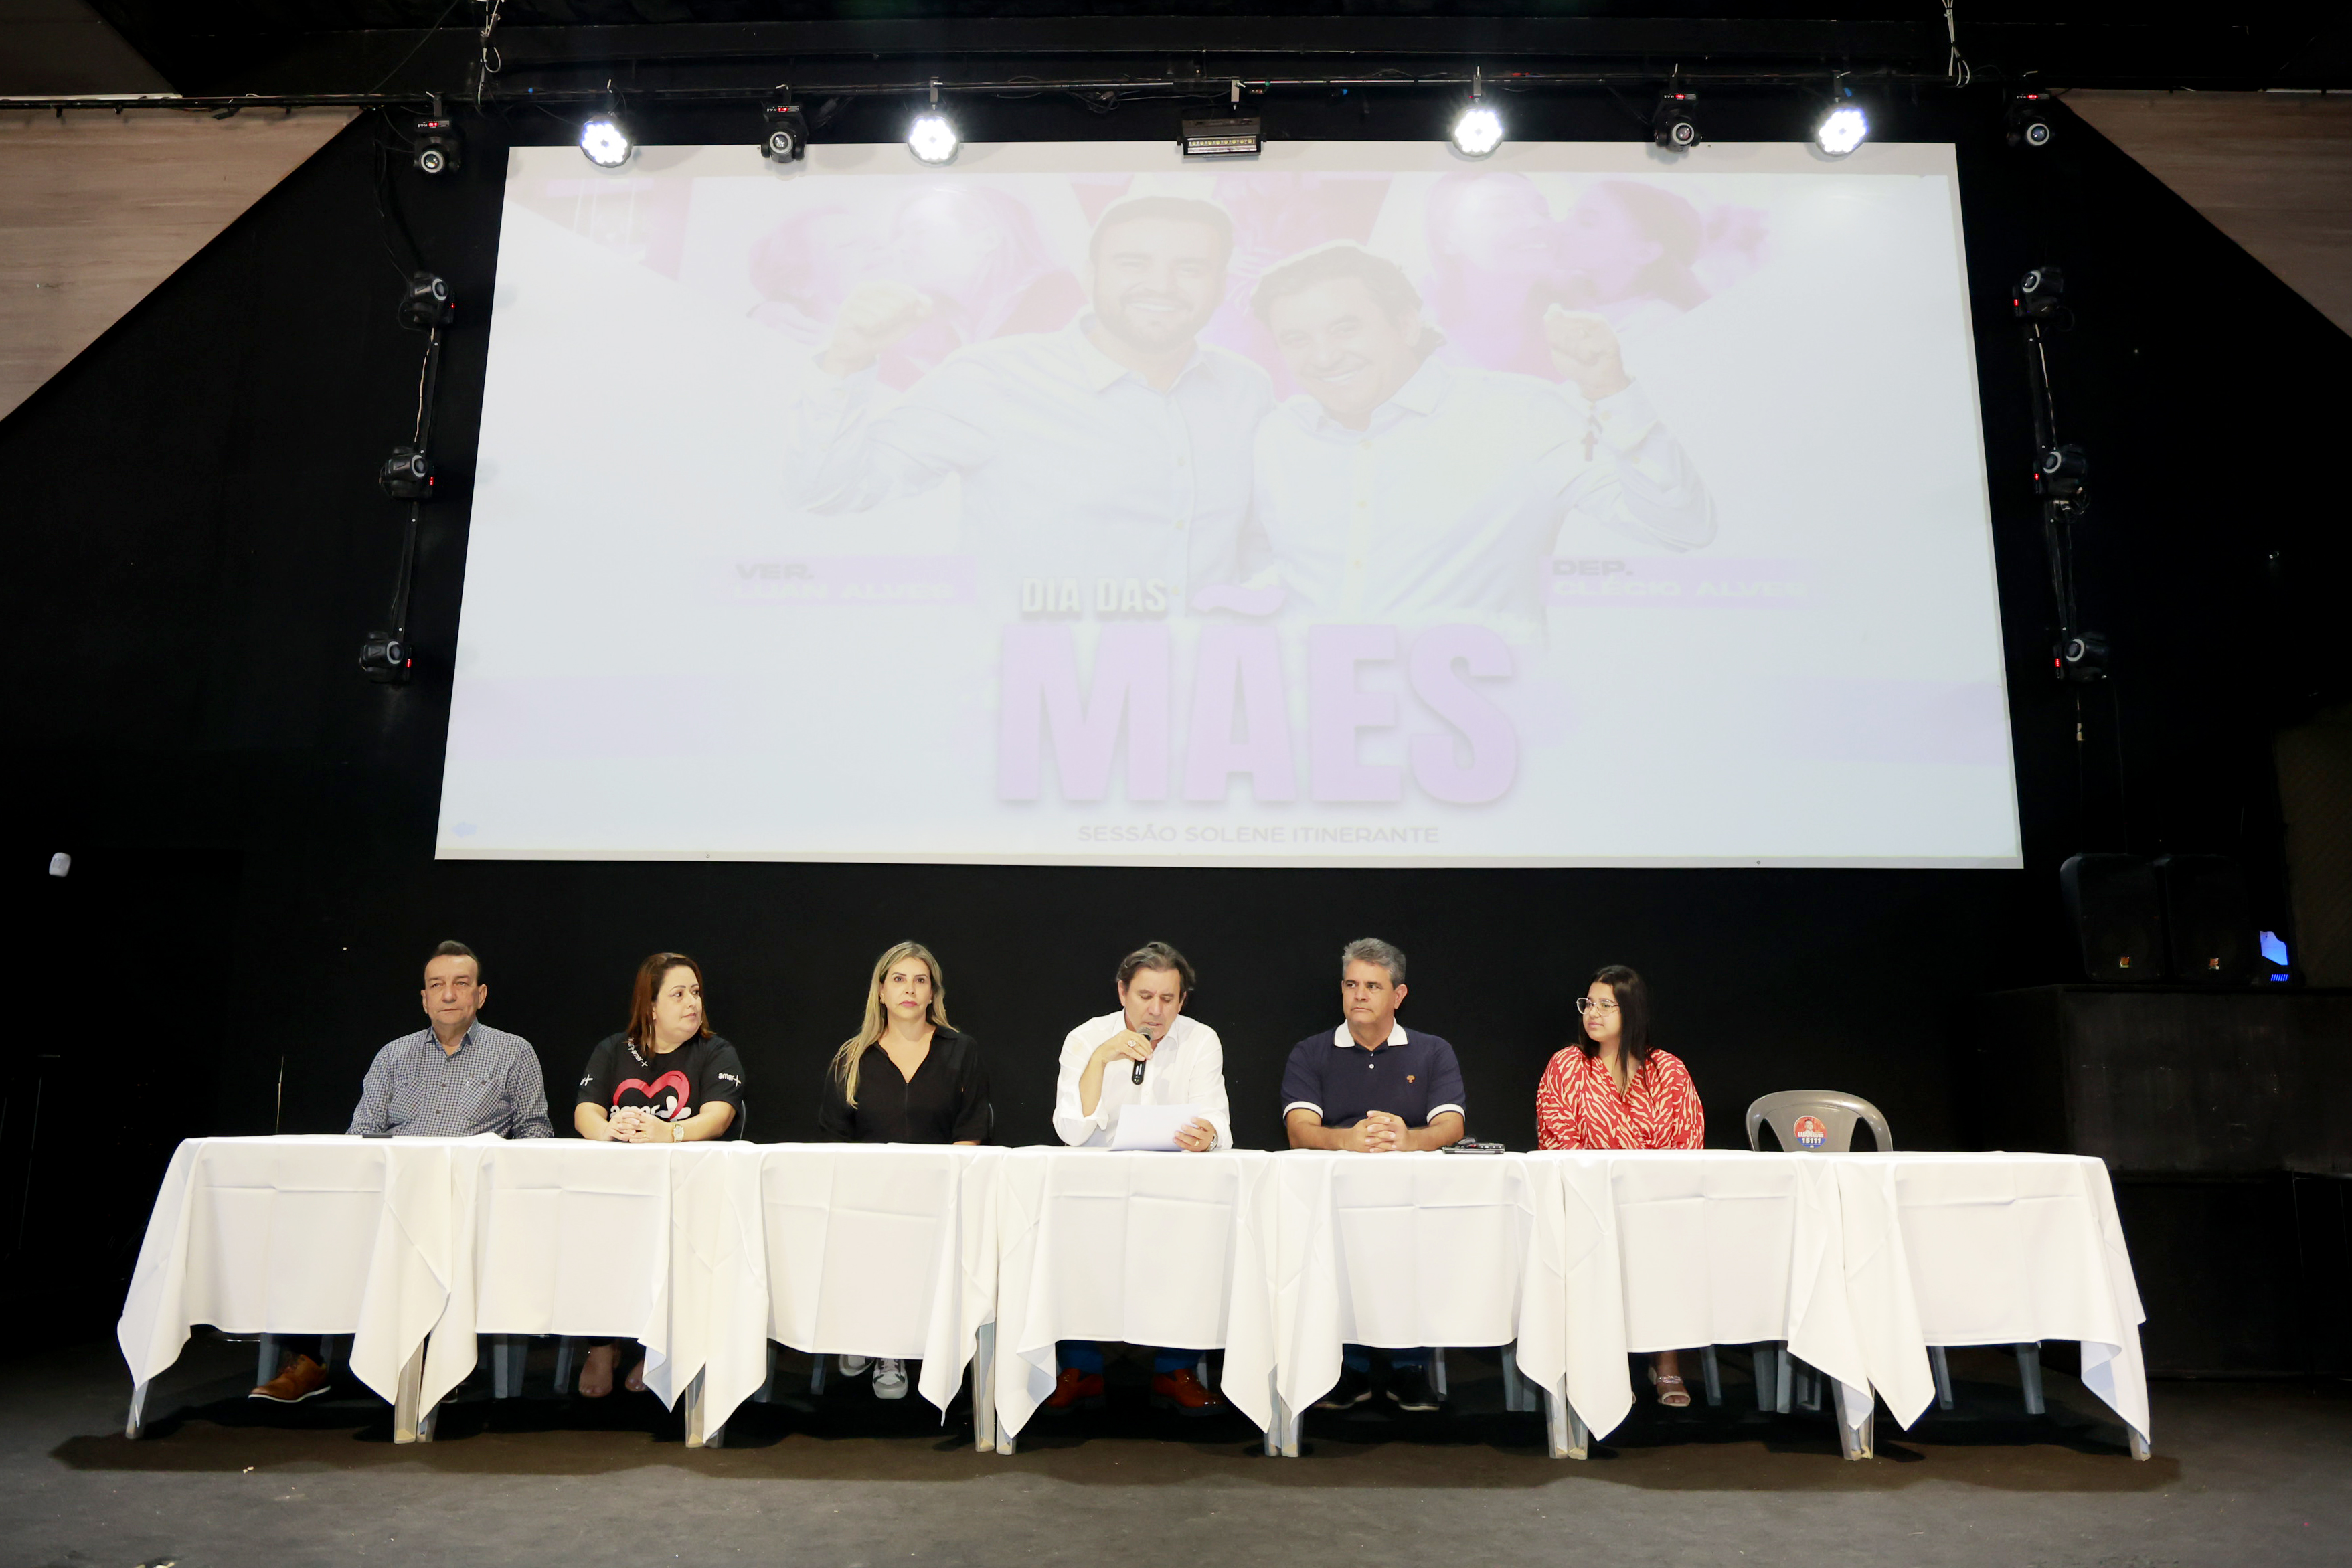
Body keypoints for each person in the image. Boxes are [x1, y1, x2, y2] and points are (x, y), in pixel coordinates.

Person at [792, 196, 1274, 613]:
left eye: (1191, 268)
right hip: (1038, 687)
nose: (1162, 286)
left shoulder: (1246, 389)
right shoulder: (992, 378)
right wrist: (847, 360)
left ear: (1220, 284)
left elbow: (1258, 548)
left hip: (1205, 683)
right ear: (1090, 275)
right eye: (1133, 263)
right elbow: (830, 492)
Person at [1248, 244, 1714, 638]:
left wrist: (1612, 391)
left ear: (1406, 325)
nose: (1324, 357)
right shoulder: (1277, 436)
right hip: (1311, 712)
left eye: (1345, 329)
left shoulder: (1521, 414)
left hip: (1476, 714)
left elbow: (1682, 527)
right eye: (1296, 339)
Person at [253, 941, 552, 1404]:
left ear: (480, 995)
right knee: (309, 1219)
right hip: (391, 1196)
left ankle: (439, 1364)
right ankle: (308, 1361)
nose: (448, 994)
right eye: (437, 985)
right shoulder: (394, 1055)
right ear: (424, 999)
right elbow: (362, 1134)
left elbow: (535, 1135)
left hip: (467, 1203)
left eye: (461, 984)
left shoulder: (514, 1053)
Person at [1280, 937, 1465, 1413]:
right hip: (1333, 1203)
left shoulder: (1433, 1051)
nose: (1359, 995)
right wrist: (1348, 1139)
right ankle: (1348, 1367)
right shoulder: (1311, 1051)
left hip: (1413, 1202)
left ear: (1398, 995)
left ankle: (1410, 1367)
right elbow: (1299, 1130)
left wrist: (1408, 1139)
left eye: (1372, 986)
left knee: (1421, 1250)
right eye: (1351, 985)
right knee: (1334, 1258)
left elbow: (1452, 1125)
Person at [1045, 941, 1230, 1415]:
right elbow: (1072, 1130)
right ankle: (1080, 1367)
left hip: (1173, 1190)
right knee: (1072, 1248)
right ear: (1122, 992)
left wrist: (1207, 1135)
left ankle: (1176, 1369)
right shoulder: (1086, 1038)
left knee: (1194, 1242)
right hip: (1095, 1190)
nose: (1156, 1010)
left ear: (1183, 1000)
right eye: (1145, 996)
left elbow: (1217, 1122)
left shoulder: (1200, 1040)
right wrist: (1100, 1060)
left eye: (1168, 999)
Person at [816, 942, 991, 1399]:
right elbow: (835, 1139)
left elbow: (971, 1128)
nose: (909, 989)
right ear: (881, 991)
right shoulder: (852, 1057)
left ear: (933, 993)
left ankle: (887, 1343)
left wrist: (941, 1191)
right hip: (867, 1199)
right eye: (898, 979)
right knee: (872, 1229)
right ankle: (874, 1340)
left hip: (942, 1196)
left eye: (919, 980)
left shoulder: (961, 1051)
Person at [571, 952, 748, 1400]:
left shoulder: (716, 1052)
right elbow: (585, 1111)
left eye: (696, 992)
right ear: (650, 1007)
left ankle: (660, 1347)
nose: (693, 1003)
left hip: (691, 1199)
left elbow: (719, 1117)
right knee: (590, 1229)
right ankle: (602, 1345)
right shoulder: (614, 1049)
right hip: (620, 1196)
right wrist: (607, 1129)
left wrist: (669, 1133)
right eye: (679, 994)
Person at [1535, 963, 1705, 1405]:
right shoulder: (1567, 1065)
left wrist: (1646, 1196)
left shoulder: (1667, 1069)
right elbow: (1557, 1143)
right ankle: (1602, 1369)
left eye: (1606, 1005)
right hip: (1588, 1206)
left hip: (1655, 1205)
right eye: (1588, 1003)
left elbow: (1688, 1144)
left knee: (1670, 1237)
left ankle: (1666, 1361)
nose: (1592, 1013)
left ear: (1632, 1011)